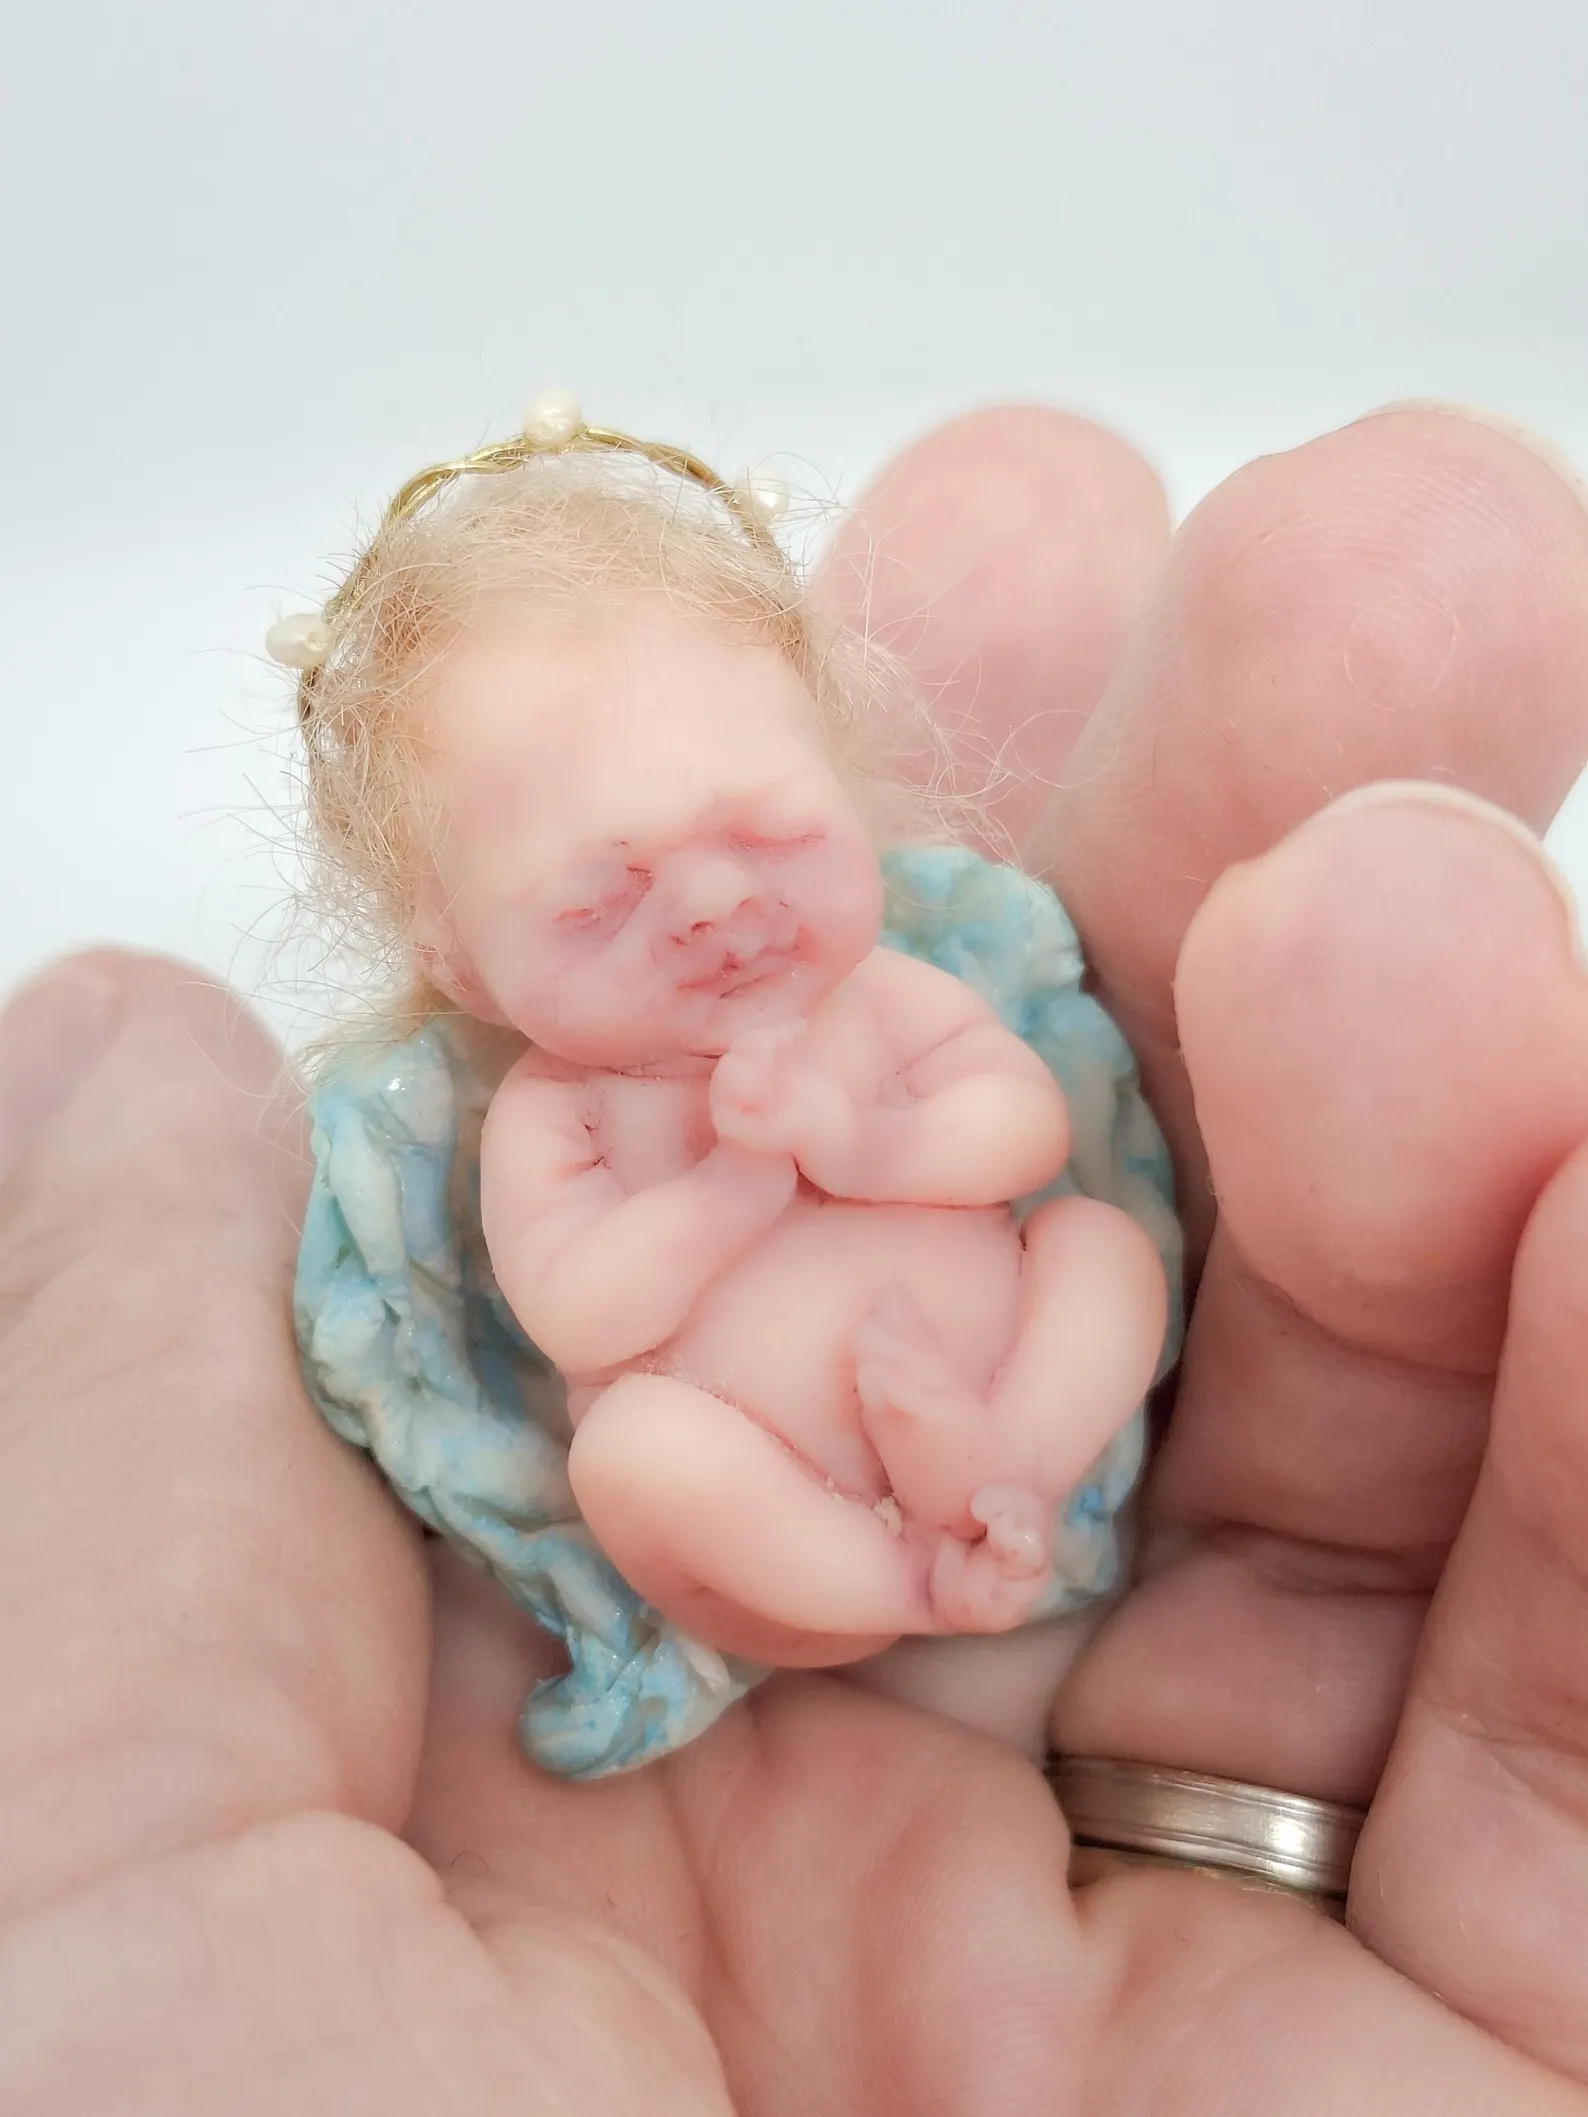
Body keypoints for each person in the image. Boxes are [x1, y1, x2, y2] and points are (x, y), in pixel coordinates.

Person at [2, 400, 1588, 2113]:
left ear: (844, 791)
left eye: (766, 835)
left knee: (1102, 1264)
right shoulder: (551, 1118)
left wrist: (876, 1143)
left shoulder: (896, 987)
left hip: (995, 1381)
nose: (707, 909)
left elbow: (1024, 1134)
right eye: (602, 901)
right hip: (770, 1481)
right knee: (636, 1448)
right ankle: (893, 1575)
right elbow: (586, 1309)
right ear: (458, 958)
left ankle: (1008, 1483)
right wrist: (728, 1198)